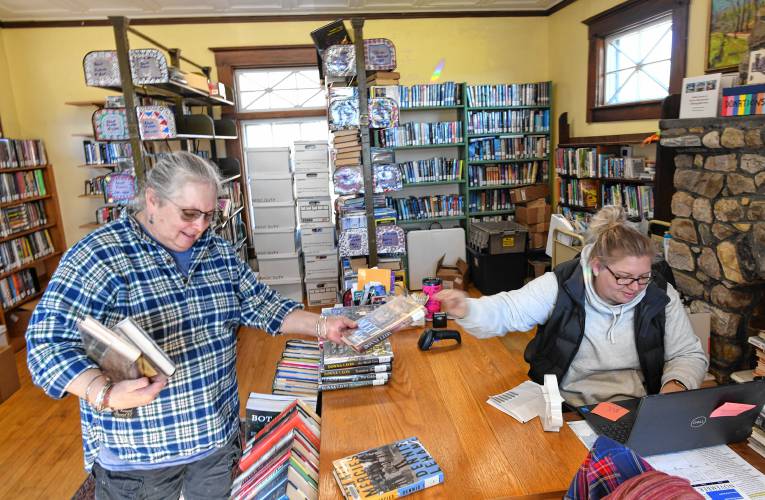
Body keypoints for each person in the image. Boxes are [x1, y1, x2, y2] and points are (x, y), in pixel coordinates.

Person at [25, 152, 356, 499]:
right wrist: (104, 393)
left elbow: (263, 305)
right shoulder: (99, 256)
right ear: (152, 199)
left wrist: (323, 325)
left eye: (208, 216)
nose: (199, 226)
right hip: (140, 459)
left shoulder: (217, 252)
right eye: (189, 213)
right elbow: (47, 344)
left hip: (214, 443)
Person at [436, 206, 708, 407]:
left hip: (638, 405)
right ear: (596, 266)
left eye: (643, 278)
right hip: (569, 407)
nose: (635, 287)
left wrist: (676, 385)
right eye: (624, 277)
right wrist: (468, 309)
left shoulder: (660, 293)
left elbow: (688, 354)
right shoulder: (561, 284)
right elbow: (508, 310)